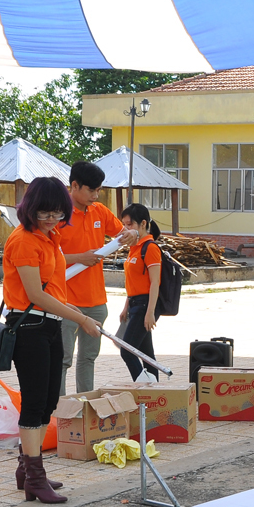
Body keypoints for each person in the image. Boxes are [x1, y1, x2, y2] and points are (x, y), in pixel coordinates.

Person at [3, 177, 102, 503]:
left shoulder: (50, 237)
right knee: (34, 404)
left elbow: (54, 291)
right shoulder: (23, 242)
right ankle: (35, 476)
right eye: (43, 213)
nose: (50, 219)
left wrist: (75, 312)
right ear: (29, 209)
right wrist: (82, 318)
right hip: (29, 327)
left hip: (50, 325)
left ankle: (26, 468)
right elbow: (35, 295)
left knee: (47, 401)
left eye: (57, 213)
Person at [56, 161, 135, 394]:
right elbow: (48, 258)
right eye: (91, 190)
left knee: (88, 358)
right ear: (74, 185)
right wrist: (81, 257)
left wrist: (130, 234)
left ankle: (84, 403)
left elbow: (122, 233)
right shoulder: (57, 215)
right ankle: (59, 410)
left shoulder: (99, 211)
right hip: (65, 301)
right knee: (63, 360)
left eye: (98, 190)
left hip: (96, 300)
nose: (95, 195)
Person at [119, 204, 163, 382]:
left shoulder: (150, 248)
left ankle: (145, 389)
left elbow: (155, 283)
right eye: (124, 225)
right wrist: (126, 307)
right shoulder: (134, 247)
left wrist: (150, 312)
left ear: (143, 223)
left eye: (129, 225)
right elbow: (133, 281)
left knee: (127, 350)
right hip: (135, 304)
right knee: (147, 355)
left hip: (145, 304)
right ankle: (155, 393)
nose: (125, 229)